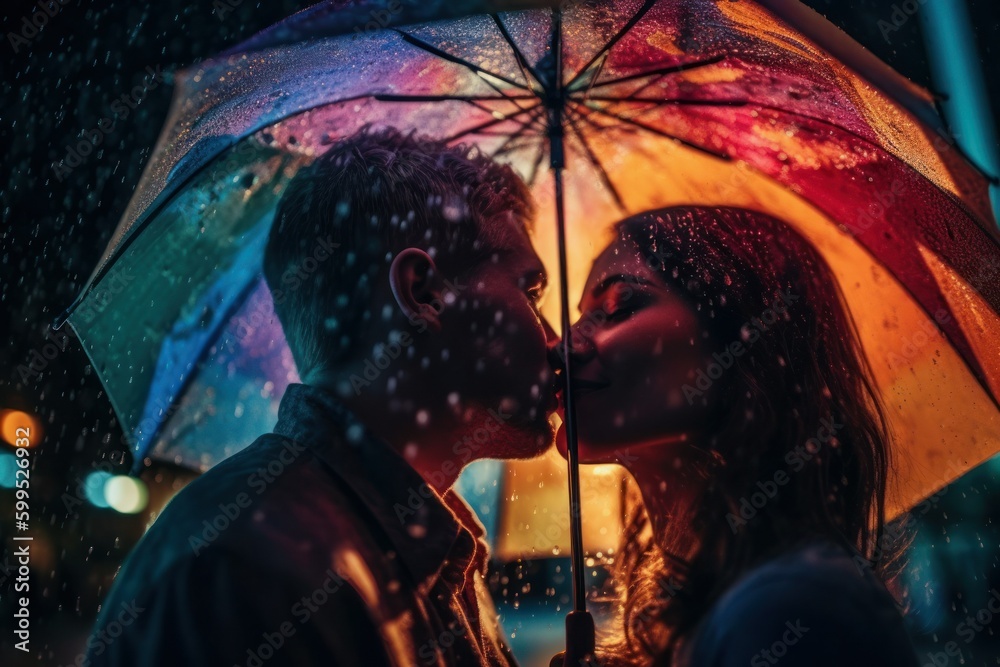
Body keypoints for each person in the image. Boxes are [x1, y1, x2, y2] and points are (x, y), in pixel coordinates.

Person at [85, 127, 560, 666]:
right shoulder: (251, 568)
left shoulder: (425, 549)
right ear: (424, 293)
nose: (555, 340)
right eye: (530, 290)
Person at [555, 206, 919, 666]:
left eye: (619, 307)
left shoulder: (791, 608)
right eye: (582, 315)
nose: (564, 344)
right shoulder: (737, 605)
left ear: (743, 341)